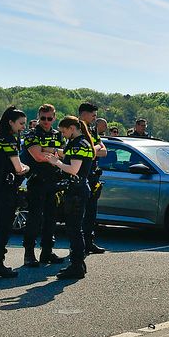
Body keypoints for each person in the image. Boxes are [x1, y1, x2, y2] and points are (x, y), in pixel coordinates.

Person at [46, 115, 95, 279]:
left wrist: (56, 162)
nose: (63, 134)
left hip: (76, 191)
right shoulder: (82, 143)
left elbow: (73, 169)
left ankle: (76, 266)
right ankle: (79, 264)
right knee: (76, 229)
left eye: (64, 131)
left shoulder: (78, 145)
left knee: (74, 230)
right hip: (79, 189)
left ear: (72, 129)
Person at [0, 107, 29, 279]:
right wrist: (27, 167)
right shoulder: (9, 141)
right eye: (21, 123)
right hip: (7, 188)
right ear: (11, 122)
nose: (23, 127)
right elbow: (19, 168)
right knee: (3, 228)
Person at [21, 104, 65, 268]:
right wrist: (54, 153)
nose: (46, 122)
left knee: (51, 219)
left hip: (53, 181)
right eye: (43, 118)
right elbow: (38, 156)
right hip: (37, 181)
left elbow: (64, 155)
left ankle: (47, 252)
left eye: (49, 118)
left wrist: (50, 151)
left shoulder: (58, 134)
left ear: (54, 117)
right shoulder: (32, 134)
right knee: (34, 219)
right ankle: (29, 254)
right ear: (38, 118)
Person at [78, 102, 108, 255]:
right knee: (79, 214)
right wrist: (94, 149)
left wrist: (93, 149)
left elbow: (104, 151)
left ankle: (89, 242)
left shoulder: (92, 130)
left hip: (93, 176)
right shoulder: (76, 128)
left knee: (91, 213)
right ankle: (78, 246)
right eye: (93, 115)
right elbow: (92, 151)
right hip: (81, 175)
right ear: (84, 114)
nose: (95, 117)